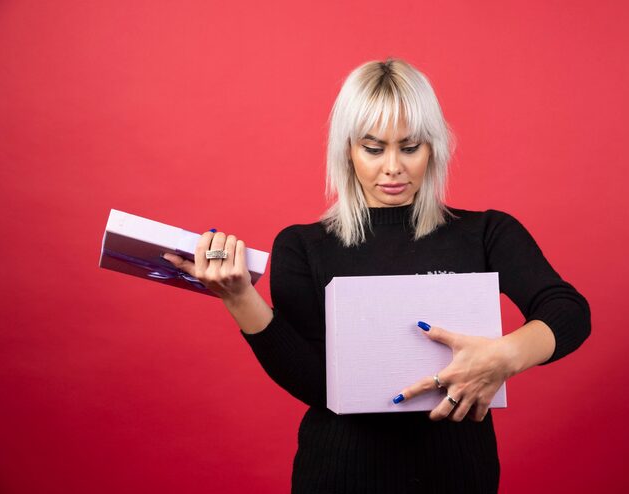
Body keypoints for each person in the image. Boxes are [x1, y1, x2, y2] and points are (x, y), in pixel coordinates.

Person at [164, 57, 591, 494]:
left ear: (434, 148)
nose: (392, 167)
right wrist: (239, 298)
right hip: (337, 479)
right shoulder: (303, 245)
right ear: (348, 150)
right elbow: (315, 384)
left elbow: (568, 311)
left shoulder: (486, 232)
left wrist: (504, 356)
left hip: (460, 478)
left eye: (410, 147)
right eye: (373, 148)